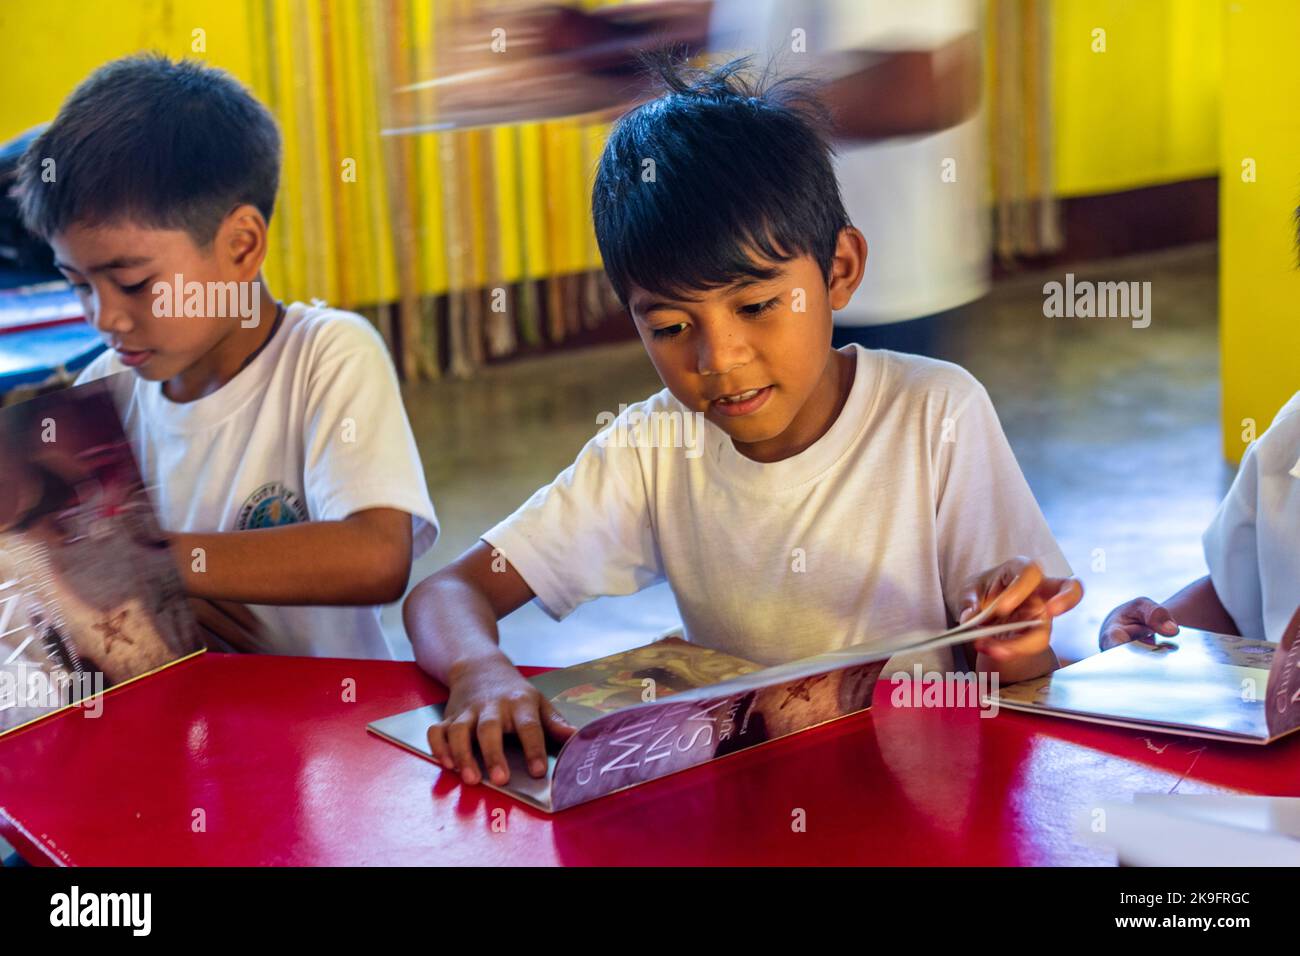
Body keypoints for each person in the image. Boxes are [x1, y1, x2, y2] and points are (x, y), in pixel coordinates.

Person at [403, 56, 1081, 788]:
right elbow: (448, 593)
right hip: (748, 805)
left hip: (922, 805)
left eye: (757, 307)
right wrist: (479, 671)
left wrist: (1015, 648)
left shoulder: (934, 414)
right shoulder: (652, 447)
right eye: (668, 327)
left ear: (840, 269)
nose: (719, 358)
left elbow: (1029, 672)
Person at [14, 55, 438, 659]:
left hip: (330, 733)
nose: (102, 317)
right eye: (79, 284)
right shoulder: (104, 389)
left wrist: (157, 566)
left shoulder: (325, 355)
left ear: (241, 247)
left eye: (132, 282)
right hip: (184, 729)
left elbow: (376, 555)